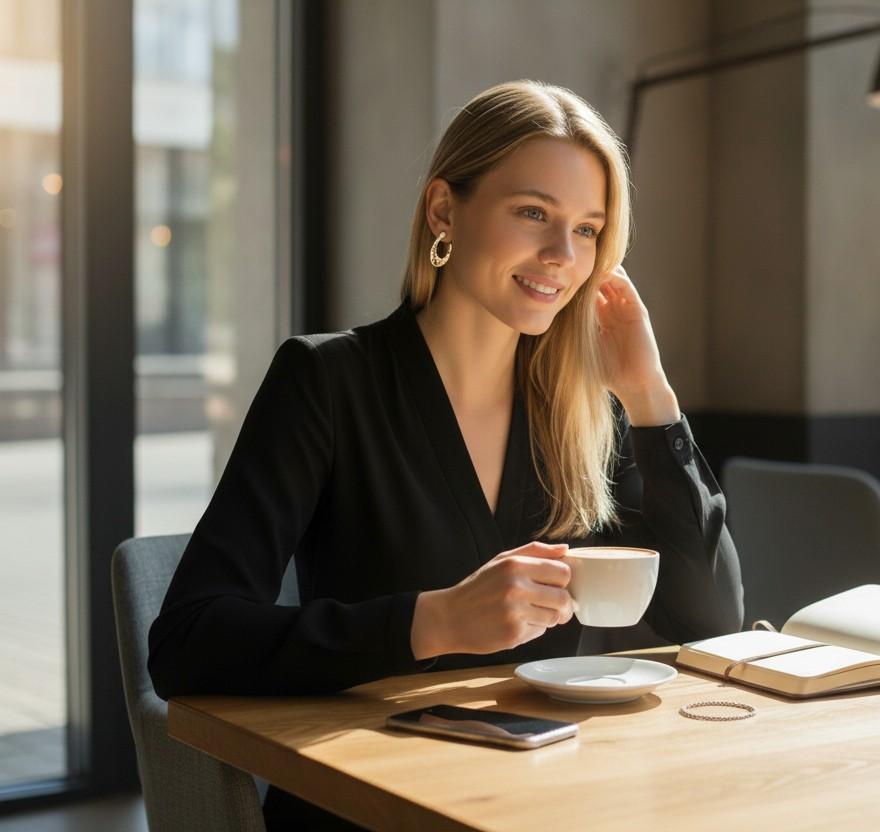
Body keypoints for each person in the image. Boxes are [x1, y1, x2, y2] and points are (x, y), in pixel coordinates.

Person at [148, 79, 743, 829]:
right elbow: (185, 642)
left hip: (548, 802)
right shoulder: (328, 381)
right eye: (534, 213)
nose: (563, 256)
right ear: (443, 210)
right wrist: (431, 623)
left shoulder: (585, 413)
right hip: (366, 803)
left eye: (588, 229)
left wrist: (650, 393)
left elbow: (716, 618)